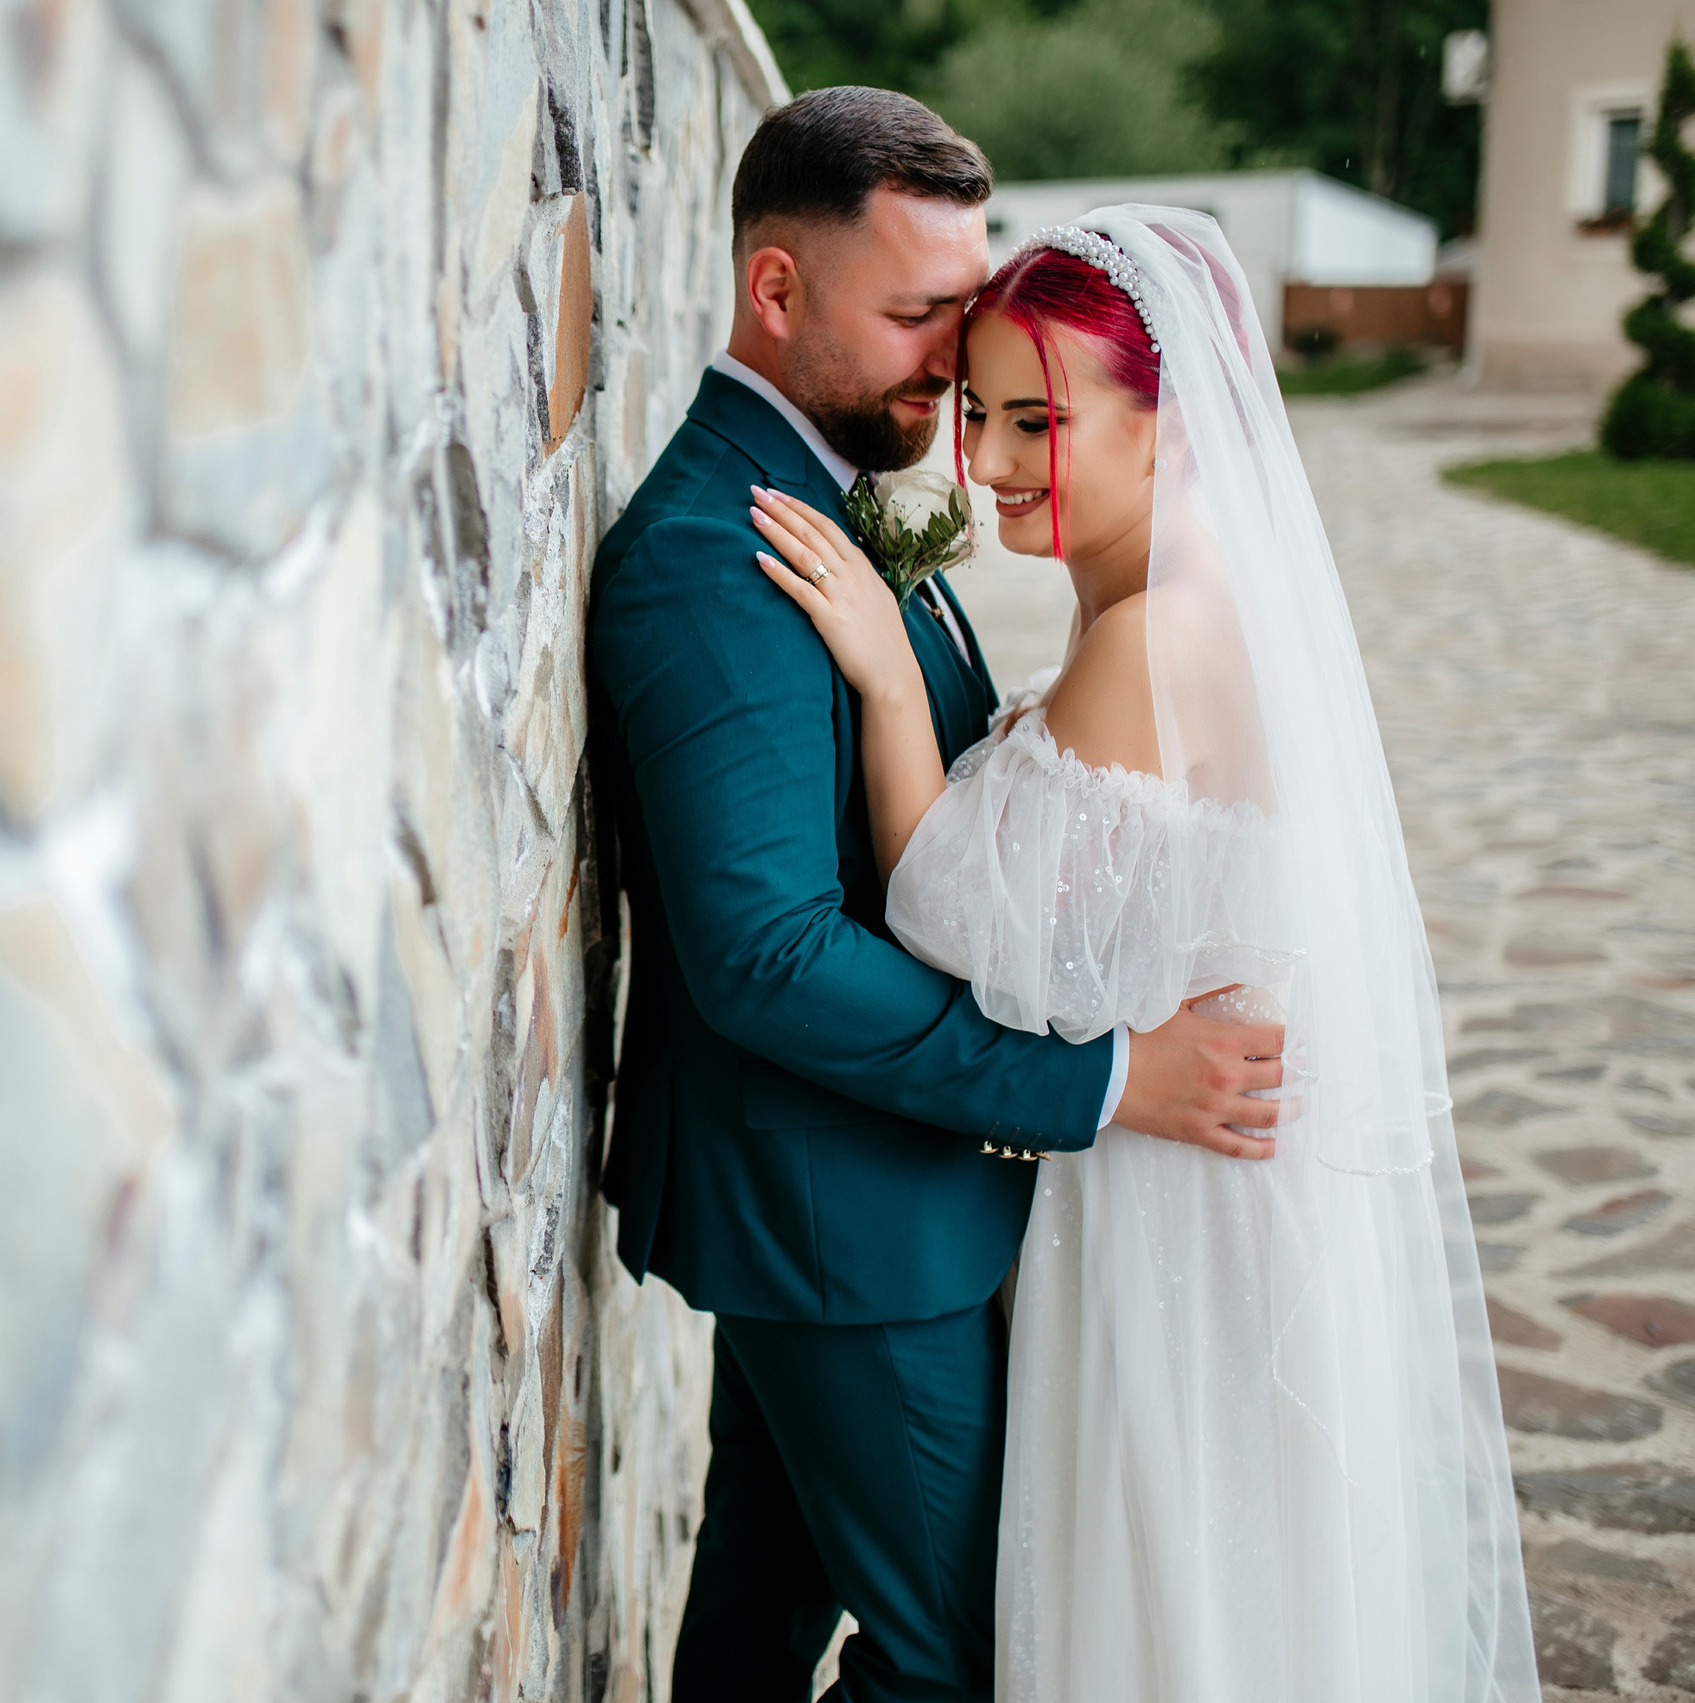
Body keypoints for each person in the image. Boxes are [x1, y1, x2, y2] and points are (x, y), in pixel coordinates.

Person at [748, 211, 1538, 1699]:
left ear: (1170, 422)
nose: (986, 461)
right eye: (979, 410)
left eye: (1037, 420)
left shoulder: (1157, 636)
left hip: (1178, 1212)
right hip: (1207, 1169)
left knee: (1170, 1590)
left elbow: (953, 916)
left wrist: (886, 678)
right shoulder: (1177, 598)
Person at [587, 89, 1289, 1701]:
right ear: (776, 289)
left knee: (762, 1611)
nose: (951, 366)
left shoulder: (838, 489)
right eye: (917, 315)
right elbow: (767, 955)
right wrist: (1097, 1080)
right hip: (839, 1210)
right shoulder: (714, 553)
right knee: (958, 1663)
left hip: (878, 1197)